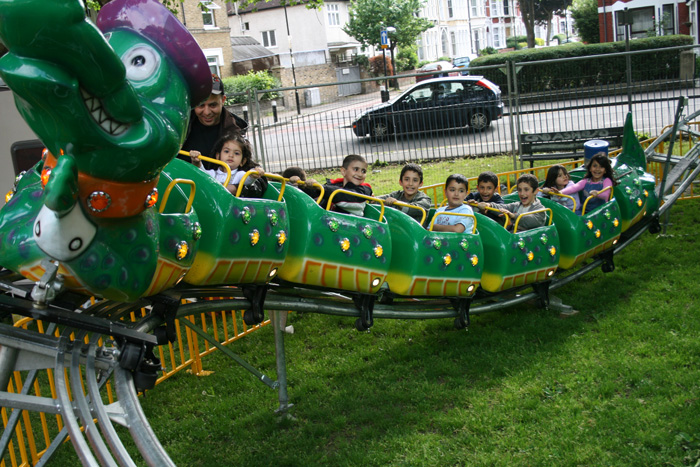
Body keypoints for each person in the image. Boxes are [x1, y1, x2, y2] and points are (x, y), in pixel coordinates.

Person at [178, 73, 248, 167]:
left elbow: (247, 167)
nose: (207, 112)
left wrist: (255, 172)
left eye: (213, 105)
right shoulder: (179, 124)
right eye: (201, 105)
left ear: (223, 100)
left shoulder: (235, 129)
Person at [190, 132, 267, 197]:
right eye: (226, 151)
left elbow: (247, 180)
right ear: (218, 156)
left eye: (236, 153)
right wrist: (197, 162)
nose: (231, 155)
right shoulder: (213, 173)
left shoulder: (239, 175)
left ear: (242, 161)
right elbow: (201, 174)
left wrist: (253, 174)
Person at [479, 173, 545, 232]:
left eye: (526, 190)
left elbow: (530, 221)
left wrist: (513, 216)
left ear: (536, 191)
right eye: (519, 190)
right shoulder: (517, 205)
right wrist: (489, 205)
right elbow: (503, 207)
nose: (522, 193)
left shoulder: (540, 210)